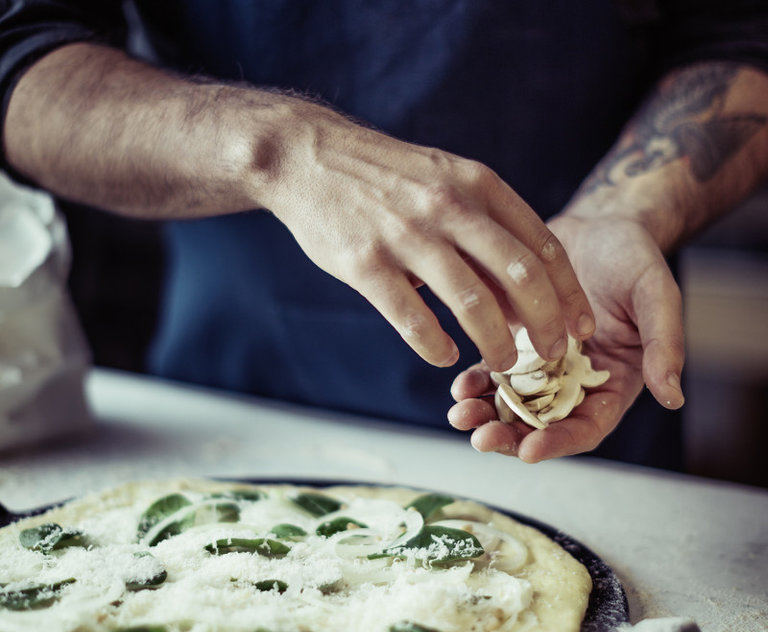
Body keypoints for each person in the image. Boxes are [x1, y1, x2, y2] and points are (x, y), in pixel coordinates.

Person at [1, 2, 767, 470]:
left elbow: (744, 28)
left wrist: (624, 210)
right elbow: (21, 54)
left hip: (589, 391)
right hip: (228, 408)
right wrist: (274, 149)